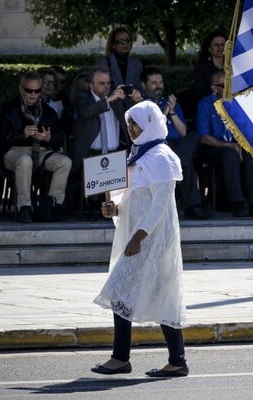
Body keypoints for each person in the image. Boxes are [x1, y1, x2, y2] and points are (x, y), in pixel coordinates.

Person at [92, 100, 188, 378]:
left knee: (123, 290)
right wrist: (115, 208)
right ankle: (175, 360)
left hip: (152, 240)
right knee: (149, 293)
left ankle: (122, 357)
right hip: (138, 237)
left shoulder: (161, 156)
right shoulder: (138, 155)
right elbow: (133, 197)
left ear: (150, 123)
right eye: (129, 123)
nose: (131, 128)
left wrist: (139, 237)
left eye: (135, 123)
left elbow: (160, 205)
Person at [0, 72, 71, 223]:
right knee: (24, 160)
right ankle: (24, 207)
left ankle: (52, 205)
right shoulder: (7, 109)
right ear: (21, 89)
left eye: (37, 91)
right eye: (29, 90)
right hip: (14, 151)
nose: (33, 94)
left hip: (41, 151)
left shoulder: (48, 112)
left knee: (64, 162)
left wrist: (49, 138)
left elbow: (59, 137)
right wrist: (21, 134)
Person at [141, 66, 211, 219]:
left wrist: (172, 111)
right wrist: (164, 112)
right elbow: (151, 132)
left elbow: (182, 132)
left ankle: (179, 160)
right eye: (154, 83)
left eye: (160, 82)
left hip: (177, 146)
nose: (158, 85)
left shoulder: (170, 102)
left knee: (193, 137)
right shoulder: (141, 105)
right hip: (156, 146)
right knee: (184, 160)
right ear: (144, 85)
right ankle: (192, 206)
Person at [63, 66, 130, 218]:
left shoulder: (116, 98)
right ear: (91, 85)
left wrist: (134, 97)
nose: (106, 87)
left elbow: (131, 113)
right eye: (101, 83)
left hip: (115, 152)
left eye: (108, 83)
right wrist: (108, 100)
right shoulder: (83, 97)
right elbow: (86, 112)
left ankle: (117, 209)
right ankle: (93, 208)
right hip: (90, 153)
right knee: (95, 170)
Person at [196, 70, 253, 217]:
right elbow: (204, 137)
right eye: (224, 85)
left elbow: (249, 129)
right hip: (215, 148)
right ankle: (238, 203)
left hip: (238, 144)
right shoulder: (205, 104)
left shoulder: (239, 102)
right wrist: (229, 146)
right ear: (214, 88)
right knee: (230, 154)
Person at [95, 26, 143, 111]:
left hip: (131, 110)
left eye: (128, 41)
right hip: (111, 110)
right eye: (121, 41)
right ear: (113, 45)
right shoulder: (103, 62)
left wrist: (137, 93)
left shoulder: (137, 64)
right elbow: (97, 88)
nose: (125, 44)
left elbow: (141, 88)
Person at [193, 30, 227, 102]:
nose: (220, 47)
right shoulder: (201, 69)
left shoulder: (233, 67)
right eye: (216, 45)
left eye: (223, 44)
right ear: (209, 49)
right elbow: (199, 93)